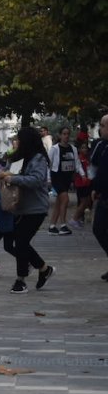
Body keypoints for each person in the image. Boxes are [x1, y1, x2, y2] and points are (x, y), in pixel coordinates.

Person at [0, 126, 55, 294]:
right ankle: (44, 269)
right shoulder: (18, 158)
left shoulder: (38, 159)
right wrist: (0, 173)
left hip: (36, 208)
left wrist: (12, 178)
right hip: (19, 207)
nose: (17, 142)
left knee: (21, 242)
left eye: (19, 139)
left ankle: (20, 280)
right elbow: (7, 171)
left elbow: (36, 180)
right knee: (20, 242)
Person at [47, 127, 82, 235]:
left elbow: (77, 163)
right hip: (57, 177)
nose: (66, 136)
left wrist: (83, 174)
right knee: (65, 199)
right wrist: (48, 179)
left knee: (59, 202)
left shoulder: (73, 149)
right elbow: (48, 164)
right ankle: (63, 225)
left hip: (67, 179)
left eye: (68, 134)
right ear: (60, 135)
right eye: (64, 133)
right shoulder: (54, 149)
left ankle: (52, 226)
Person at [91, 114, 108, 281]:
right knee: (99, 229)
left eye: (102, 126)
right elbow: (96, 166)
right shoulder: (102, 145)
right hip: (103, 195)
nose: (100, 129)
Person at [69, 142, 92, 229]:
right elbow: (78, 169)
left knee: (86, 202)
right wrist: (83, 176)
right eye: (82, 148)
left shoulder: (87, 158)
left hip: (86, 183)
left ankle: (77, 218)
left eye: (86, 148)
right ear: (79, 149)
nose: (84, 149)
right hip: (81, 183)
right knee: (83, 202)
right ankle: (74, 219)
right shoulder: (79, 158)